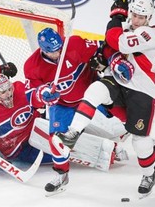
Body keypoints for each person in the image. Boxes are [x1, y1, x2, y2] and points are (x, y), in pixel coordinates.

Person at [47, 0, 155, 197]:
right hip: (117, 84)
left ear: (148, 17)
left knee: (140, 141)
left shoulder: (149, 34)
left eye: (141, 17)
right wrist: (111, 58)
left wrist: (116, 16)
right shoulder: (126, 28)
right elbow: (108, 47)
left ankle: (148, 174)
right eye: (133, 15)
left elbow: (117, 41)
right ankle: (72, 134)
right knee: (95, 90)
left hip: (141, 91)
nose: (136, 20)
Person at [23, 27, 130, 195]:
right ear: (43, 50)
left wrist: (111, 60)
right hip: (63, 105)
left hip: (91, 90)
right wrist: (43, 94)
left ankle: (146, 140)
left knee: (125, 113)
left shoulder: (73, 44)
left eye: (59, 48)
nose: (58, 53)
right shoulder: (32, 66)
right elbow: (31, 95)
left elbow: (104, 48)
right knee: (56, 140)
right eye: (53, 52)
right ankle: (62, 175)